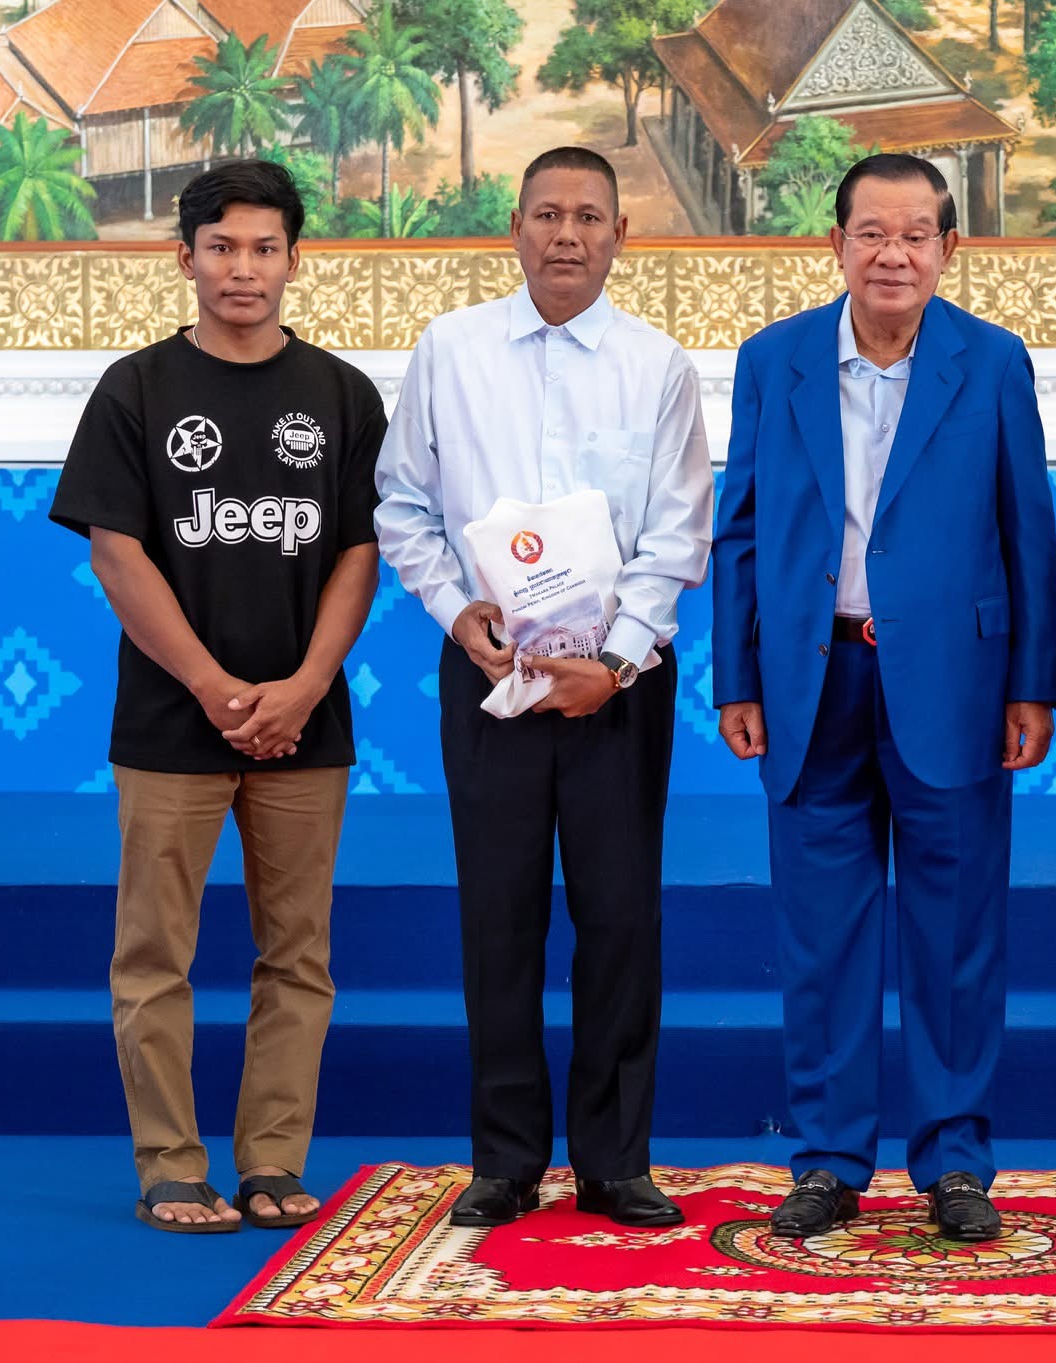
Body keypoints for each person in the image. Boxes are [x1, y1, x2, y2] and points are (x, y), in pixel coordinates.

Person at [712, 153, 1056, 1243]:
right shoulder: (772, 360)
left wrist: (1032, 684)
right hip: (810, 678)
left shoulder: (990, 361)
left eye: (915, 235)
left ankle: (955, 1160)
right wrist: (737, 675)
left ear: (948, 249)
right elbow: (740, 528)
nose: (892, 255)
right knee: (820, 936)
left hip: (955, 681)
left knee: (954, 930)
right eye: (871, 232)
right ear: (836, 243)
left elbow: (1026, 528)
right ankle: (828, 1159)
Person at [373, 147, 713, 1230]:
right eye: (548, 215)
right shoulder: (451, 349)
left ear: (621, 235)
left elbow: (678, 534)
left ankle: (615, 1160)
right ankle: (506, 1158)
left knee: (620, 917)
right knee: (499, 916)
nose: (567, 235)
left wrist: (613, 661)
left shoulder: (657, 366)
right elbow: (402, 505)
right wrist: (454, 611)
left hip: (618, 684)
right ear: (513, 228)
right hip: (491, 671)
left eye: (589, 218)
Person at [48, 160, 385, 1234]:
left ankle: (273, 1162)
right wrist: (211, 684)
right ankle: (170, 1165)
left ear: (294, 260)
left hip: (306, 725)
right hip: (168, 724)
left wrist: (304, 685)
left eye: (264, 248)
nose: (244, 267)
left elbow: (360, 552)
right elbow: (116, 552)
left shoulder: (342, 395)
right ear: (185, 257)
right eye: (222, 246)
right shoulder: (136, 390)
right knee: (155, 953)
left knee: (299, 954)